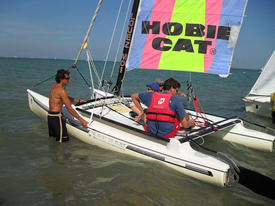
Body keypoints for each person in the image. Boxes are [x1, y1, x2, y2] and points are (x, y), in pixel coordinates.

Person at [48, 69, 88, 142]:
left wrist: (78, 101)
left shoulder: (54, 87)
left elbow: (65, 98)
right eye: (67, 78)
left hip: (50, 116)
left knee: (55, 140)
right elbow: (69, 108)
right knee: (64, 142)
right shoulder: (62, 91)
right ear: (61, 79)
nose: (69, 80)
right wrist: (82, 120)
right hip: (57, 118)